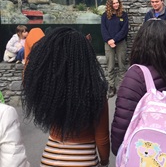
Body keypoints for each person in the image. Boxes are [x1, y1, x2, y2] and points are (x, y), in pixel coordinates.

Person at [22, 27, 110, 167]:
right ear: (87, 56)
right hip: (84, 159)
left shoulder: (50, 86)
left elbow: (33, 35)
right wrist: (104, 161)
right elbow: (102, 138)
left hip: (50, 158)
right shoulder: (96, 91)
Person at [111, 20, 166, 155]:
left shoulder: (136, 75)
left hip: (141, 152)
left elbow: (123, 120)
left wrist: (118, 150)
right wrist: (165, 125)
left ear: (141, 43)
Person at [101, 0, 129, 98]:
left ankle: (122, 88)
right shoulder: (105, 16)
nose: (116, 4)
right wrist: (109, 40)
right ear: (110, 5)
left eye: (117, 2)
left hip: (120, 43)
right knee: (110, 67)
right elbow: (103, 30)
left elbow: (124, 30)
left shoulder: (123, 15)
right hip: (108, 44)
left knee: (122, 66)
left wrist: (115, 39)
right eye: (114, 3)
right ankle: (111, 87)